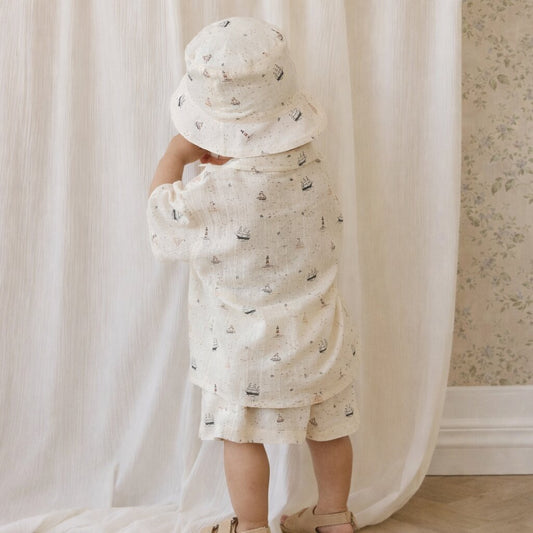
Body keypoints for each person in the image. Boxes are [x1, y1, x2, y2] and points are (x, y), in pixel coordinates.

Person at [146, 16, 361, 533]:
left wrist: (176, 154)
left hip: (242, 346)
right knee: (329, 426)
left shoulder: (214, 192)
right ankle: (334, 516)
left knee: (241, 435)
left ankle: (251, 526)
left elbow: (162, 217)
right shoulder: (310, 165)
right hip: (319, 333)